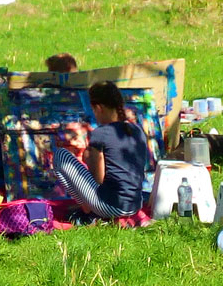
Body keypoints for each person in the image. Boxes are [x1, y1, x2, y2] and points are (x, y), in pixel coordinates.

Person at [49, 81, 153, 222]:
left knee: (60, 155)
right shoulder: (137, 130)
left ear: (99, 108)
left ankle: (87, 208)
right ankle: (89, 207)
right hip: (134, 204)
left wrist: (87, 158)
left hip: (110, 206)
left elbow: (97, 179)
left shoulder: (101, 133)